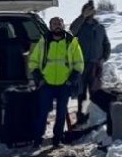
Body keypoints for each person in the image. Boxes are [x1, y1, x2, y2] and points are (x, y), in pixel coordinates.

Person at [28, 16, 84, 148]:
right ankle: (37, 140)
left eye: (59, 23)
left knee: (61, 114)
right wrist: (39, 78)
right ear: (50, 26)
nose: (57, 26)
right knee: (42, 113)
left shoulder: (71, 42)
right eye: (54, 24)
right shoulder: (44, 42)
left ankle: (57, 140)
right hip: (46, 84)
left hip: (64, 84)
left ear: (63, 25)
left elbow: (79, 64)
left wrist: (71, 80)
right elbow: (33, 62)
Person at [70, 0, 111, 126]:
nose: (90, 12)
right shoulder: (80, 26)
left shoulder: (100, 27)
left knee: (96, 93)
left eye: (91, 10)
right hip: (81, 65)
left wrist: (104, 57)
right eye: (87, 10)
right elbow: (72, 30)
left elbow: (106, 44)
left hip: (96, 66)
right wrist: (82, 16)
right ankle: (81, 118)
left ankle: (95, 117)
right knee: (81, 93)